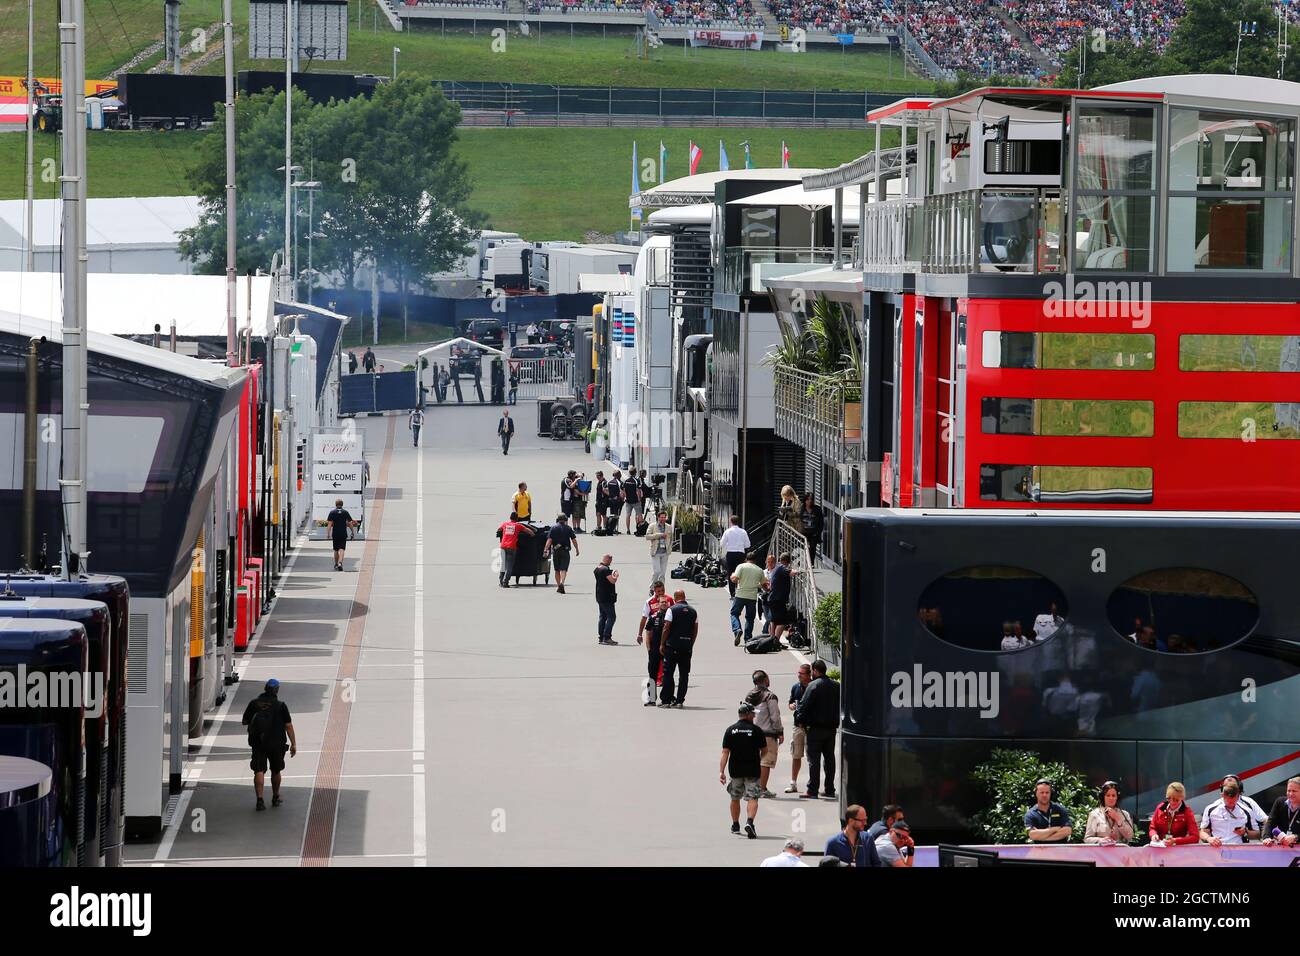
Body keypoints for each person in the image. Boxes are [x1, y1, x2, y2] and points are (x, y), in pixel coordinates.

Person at [241, 678, 296, 811]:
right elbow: (288, 726)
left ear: (265, 688)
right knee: (276, 770)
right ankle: (275, 796)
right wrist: (294, 744)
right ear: (277, 690)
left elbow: (244, 721)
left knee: (259, 770)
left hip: (258, 742)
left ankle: (260, 800)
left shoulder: (254, 703)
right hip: (276, 743)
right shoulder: (281, 705)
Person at [720, 702, 766, 839]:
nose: (754, 716)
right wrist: (758, 758)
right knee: (753, 797)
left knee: (735, 797)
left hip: (735, 770)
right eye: (753, 714)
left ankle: (735, 824)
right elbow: (765, 750)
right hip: (753, 770)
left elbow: (725, 752)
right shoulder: (757, 730)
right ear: (747, 715)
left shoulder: (730, 730)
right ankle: (750, 822)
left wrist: (721, 771)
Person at [794, 659, 838, 800]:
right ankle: (829, 788)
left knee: (814, 760)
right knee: (829, 759)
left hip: (815, 728)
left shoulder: (813, 686)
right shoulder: (836, 686)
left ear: (815, 671)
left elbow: (804, 706)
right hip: (831, 728)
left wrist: (800, 720)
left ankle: (812, 789)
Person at [745, 670, 784, 798]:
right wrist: (779, 731)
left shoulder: (749, 696)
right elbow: (775, 716)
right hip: (767, 734)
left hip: (751, 733)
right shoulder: (769, 696)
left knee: (753, 761)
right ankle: (762, 789)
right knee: (765, 761)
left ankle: (751, 788)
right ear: (765, 680)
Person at [658, 588, 697, 707]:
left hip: (672, 646)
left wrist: (662, 643)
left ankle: (666, 700)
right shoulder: (693, 611)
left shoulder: (671, 610)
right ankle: (680, 700)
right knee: (684, 674)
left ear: (675, 599)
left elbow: (666, 628)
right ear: (684, 597)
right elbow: (695, 630)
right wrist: (690, 644)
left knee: (668, 673)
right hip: (686, 647)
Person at [637, 580, 674, 703]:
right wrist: (647, 645)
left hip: (668, 646)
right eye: (658, 592)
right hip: (654, 645)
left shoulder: (670, 605)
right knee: (652, 672)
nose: (661, 594)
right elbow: (647, 629)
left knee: (668, 673)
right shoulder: (651, 610)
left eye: (662, 591)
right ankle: (652, 698)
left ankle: (667, 698)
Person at [1203, 773, 1269, 838]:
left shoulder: (1248, 803)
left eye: (1233, 786)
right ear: (1222, 792)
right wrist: (1209, 838)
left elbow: (1265, 820)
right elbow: (1204, 831)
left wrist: (1266, 836)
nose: (1230, 789)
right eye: (1227, 787)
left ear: (1239, 789)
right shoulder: (1213, 807)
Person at [1200, 780, 1258, 845]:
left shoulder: (1247, 811)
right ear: (1222, 795)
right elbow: (1202, 832)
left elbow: (1257, 834)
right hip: (1217, 849)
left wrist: (1245, 832)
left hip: (1239, 850)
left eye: (1234, 802)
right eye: (1229, 802)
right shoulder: (1210, 809)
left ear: (1238, 796)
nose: (1231, 805)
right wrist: (1209, 838)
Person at [729, 551, 766, 647]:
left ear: (746, 559)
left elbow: (735, 579)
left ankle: (737, 629)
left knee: (734, 613)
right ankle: (748, 638)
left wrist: (732, 575)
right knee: (750, 618)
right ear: (755, 560)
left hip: (740, 594)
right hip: (752, 597)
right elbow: (763, 585)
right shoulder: (759, 570)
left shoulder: (741, 566)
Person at [785, 662, 811, 793]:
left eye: (801, 673)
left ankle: (813, 784)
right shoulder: (795, 687)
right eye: (798, 673)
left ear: (808, 675)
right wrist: (791, 706)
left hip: (811, 726)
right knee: (796, 754)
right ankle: (793, 782)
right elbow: (790, 702)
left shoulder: (813, 687)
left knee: (812, 756)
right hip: (798, 726)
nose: (799, 675)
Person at [542, 513, 579, 594]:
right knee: (564, 569)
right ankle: (562, 582)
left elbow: (549, 540)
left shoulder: (553, 528)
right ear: (565, 520)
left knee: (557, 570)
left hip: (556, 551)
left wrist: (545, 550)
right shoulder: (568, 528)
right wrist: (577, 549)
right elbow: (574, 540)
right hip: (565, 551)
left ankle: (559, 585)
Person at [496, 511, 535, 588]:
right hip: (511, 547)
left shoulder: (505, 524)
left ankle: (501, 581)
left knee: (503, 565)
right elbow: (529, 531)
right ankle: (505, 582)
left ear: (510, 517)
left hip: (503, 546)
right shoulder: (518, 526)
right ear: (517, 518)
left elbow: (498, 530)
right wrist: (533, 534)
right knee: (509, 565)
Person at [719, 515, 751, 598]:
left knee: (731, 572)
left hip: (731, 553)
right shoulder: (743, 532)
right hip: (740, 554)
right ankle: (741, 591)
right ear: (738, 522)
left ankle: (732, 593)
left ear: (730, 522)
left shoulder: (727, 531)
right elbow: (748, 544)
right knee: (741, 573)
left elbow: (722, 544)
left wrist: (729, 545)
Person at [1263, 776, 1300, 846]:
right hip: (1283, 848)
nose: (1291, 794)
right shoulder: (1280, 802)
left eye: (1294, 791)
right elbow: (1271, 822)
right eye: (1289, 790)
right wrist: (1267, 837)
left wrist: (1296, 837)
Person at [768, 553, 796, 641]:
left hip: (773, 598)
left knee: (774, 620)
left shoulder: (778, 568)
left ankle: (771, 640)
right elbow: (792, 573)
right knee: (783, 622)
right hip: (778, 599)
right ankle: (776, 640)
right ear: (788, 561)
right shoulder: (783, 568)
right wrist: (799, 571)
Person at [594, 554, 619, 645]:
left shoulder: (598, 568)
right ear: (607, 560)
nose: (611, 561)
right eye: (610, 559)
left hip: (600, 596)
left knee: (603, 616)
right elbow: (612, 580)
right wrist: (615, 575)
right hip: (607, 597)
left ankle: (601, 637)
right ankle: (607, 637)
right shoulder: (605, 570)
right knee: (612, 617)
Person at [326, 498, 357, 571]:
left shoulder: (332, 512)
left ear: (335, 504)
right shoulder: (345, 512)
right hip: (343, 533)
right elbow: (350, 523)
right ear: (342, 505)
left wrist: (328, 534)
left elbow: (329, 524)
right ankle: (340, 563)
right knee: (342, 549)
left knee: (336, 550)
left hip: (335, 534)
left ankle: (336, 564)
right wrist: (352, 532)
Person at [646, 510, 671, 589]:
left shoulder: (668, 527)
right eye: (661, 517)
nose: (663, 519)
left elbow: (671, 538)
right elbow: (647, 536)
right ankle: (652, 587)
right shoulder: (652, 526)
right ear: (658, 517)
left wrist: (670, 548)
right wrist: (659, 535)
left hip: (665, 552)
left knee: (662, 573)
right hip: (655, 552)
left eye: (664, 517)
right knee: (657, 571)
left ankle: (661, 589)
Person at [798, 493, 824, 564]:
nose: (810, 501)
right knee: (805, 548)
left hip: (813, 533)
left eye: (811, 499)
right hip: (804, 532)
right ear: (805, 500)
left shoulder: (817, 509)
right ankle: (805, 562)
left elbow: (821, 523)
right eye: (808, 499)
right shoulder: (801, 508)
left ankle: (811, 563)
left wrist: (818, 532)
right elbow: (798, 520)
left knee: (812, 548)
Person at [621, 469, 641, 534]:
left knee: (628, 515)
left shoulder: (626, 481)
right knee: (638, 515)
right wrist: (639, 499)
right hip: (635, 500)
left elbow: (623, 490)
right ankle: (638, 529)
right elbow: (638, 491)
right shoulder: (637, 480)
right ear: (635, 473)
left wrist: (625, 497)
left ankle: (628, 530)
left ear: (629, 473)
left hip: (628, 500)